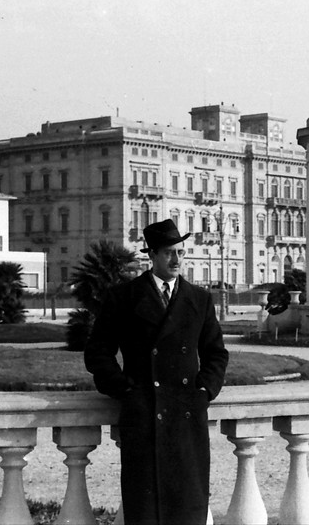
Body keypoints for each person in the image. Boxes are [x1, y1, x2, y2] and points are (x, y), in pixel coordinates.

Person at [84, 219, 229, 525]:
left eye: (181, 252)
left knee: (188, 510)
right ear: (151, 255)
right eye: (168, 253)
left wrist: (204, 391)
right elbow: (98, 351)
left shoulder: (199, 299)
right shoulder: (124, 297)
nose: (177, 260)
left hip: (187, 417)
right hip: (144, 417)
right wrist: (124, 389)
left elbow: (216, 353)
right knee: (146, 512)